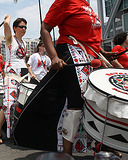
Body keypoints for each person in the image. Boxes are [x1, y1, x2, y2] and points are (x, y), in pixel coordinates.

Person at [40, 0, 117, 156]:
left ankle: (104, 145)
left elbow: (90, 35)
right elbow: (45, 28)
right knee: (77, 102)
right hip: (72, 50)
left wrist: (103, 52)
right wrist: (53, 56)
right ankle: (66, 154)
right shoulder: (64, 1)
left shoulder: (86, 4)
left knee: (103, 99)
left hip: (92, 55)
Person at [0, 15, 28, 144]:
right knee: (8, 104)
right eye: (21, 26)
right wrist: (7, 18)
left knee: (20, 104)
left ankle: (16, 131)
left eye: (25, 27)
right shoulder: (10, 39)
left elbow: (23, 60)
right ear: (15, 28)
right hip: (11, 75)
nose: (24, 29)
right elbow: (6, 25)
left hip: (23, 76)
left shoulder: (24, 43)